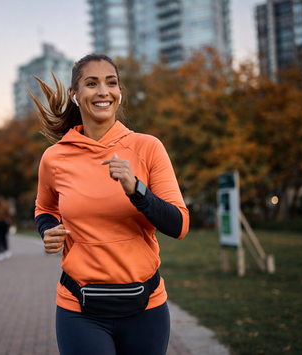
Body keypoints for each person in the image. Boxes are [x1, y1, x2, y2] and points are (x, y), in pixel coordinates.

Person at [32, 54, 189, 355]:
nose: (103, 91)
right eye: (92, 83)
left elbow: (180, 225)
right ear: (75, 95)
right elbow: (44, 208)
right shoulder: (55, 157)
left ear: (119, 93)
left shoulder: (148, 148)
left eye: (111, 83)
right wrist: (48, 229)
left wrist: (137, 190)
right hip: (80, 310)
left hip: (146, 309)